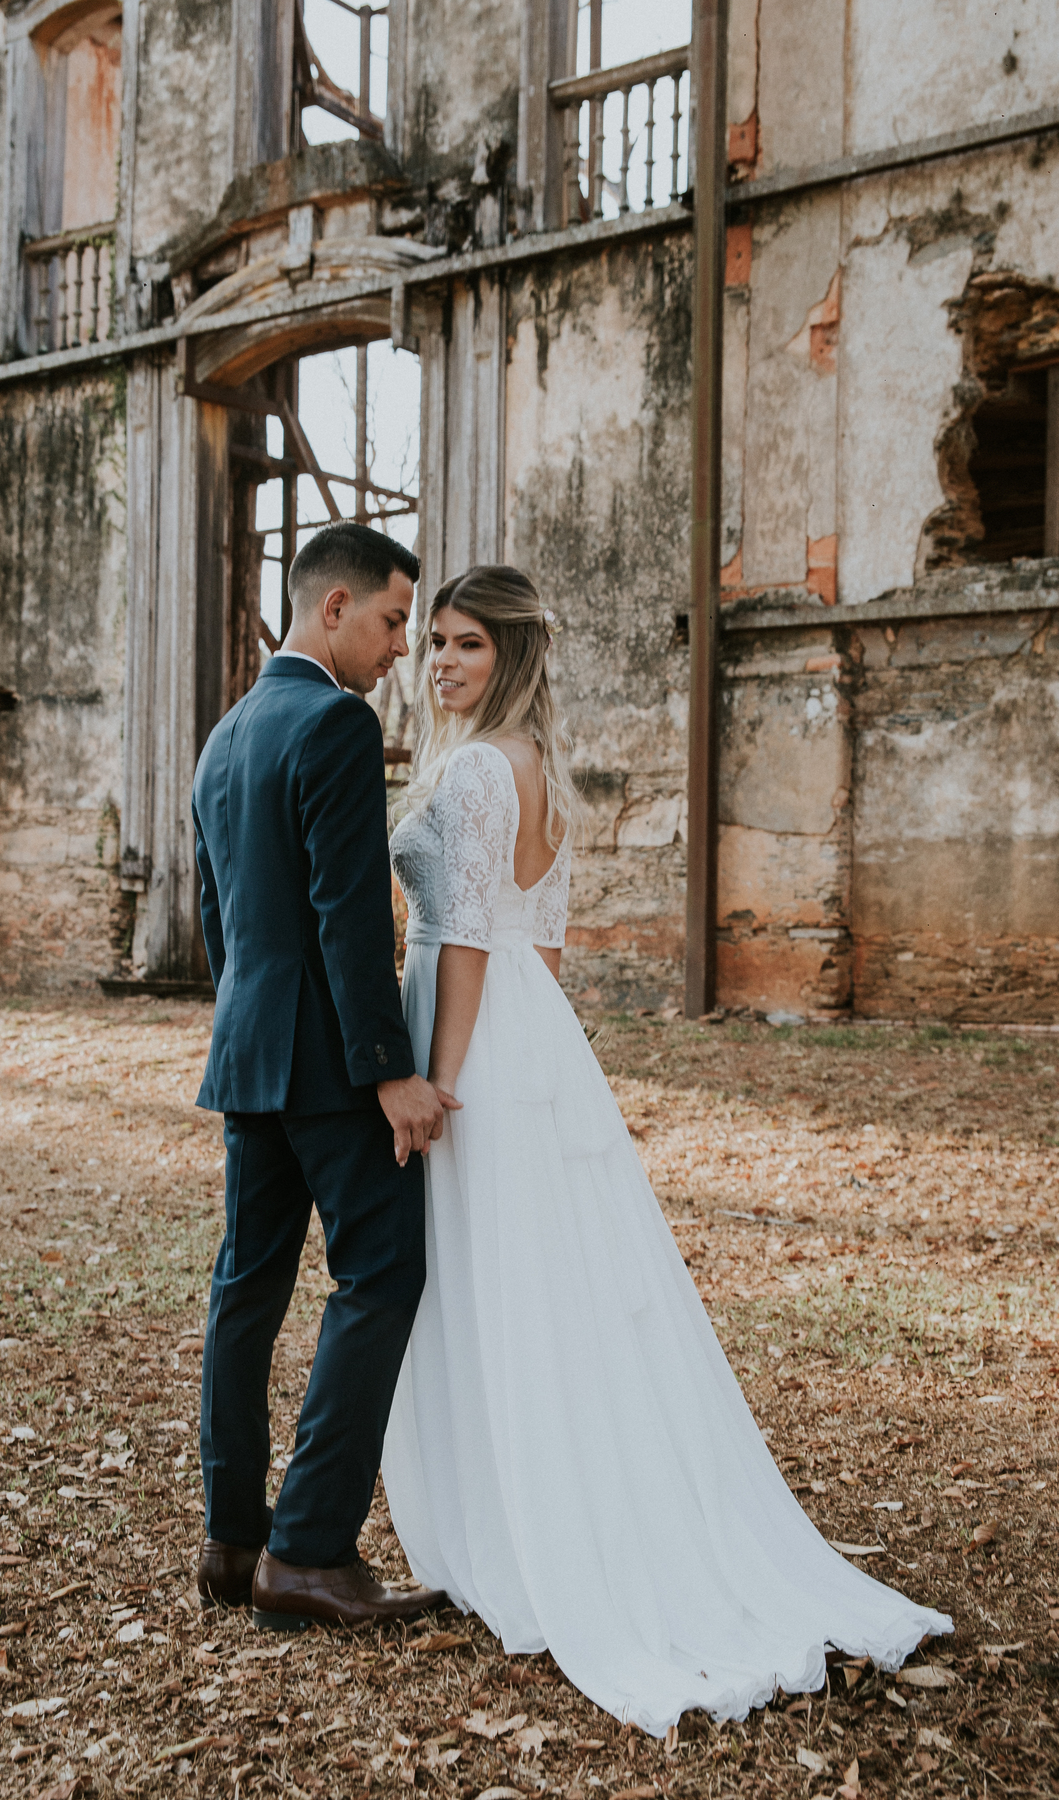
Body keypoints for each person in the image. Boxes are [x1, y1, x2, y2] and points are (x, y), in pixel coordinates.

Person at [381, 565, 952, 1734]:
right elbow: (545, 940)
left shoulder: (486, 768)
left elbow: (476, 940)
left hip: (474, 1028)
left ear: (515, 659)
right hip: (528, 1031)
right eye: (434, 641)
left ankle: (531, 1523)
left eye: (467, 647)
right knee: (537, 1282)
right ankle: (542, 1502)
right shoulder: (533, 767)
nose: (441, 662)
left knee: (496, 1283)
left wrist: (440, 1078)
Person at [190, 522, 455, 1630]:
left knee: (246, 1291)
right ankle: (307, 1552)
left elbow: (221, 921)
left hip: (248, 1057)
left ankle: (231, 1538)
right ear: (333, 607)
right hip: (330, 1070)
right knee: (384, 1273)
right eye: (395, 621)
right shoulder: (335, 723)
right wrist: (388, 1071)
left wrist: (250, 1026)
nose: (402, 647)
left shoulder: (226, 733)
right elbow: (351, 917)